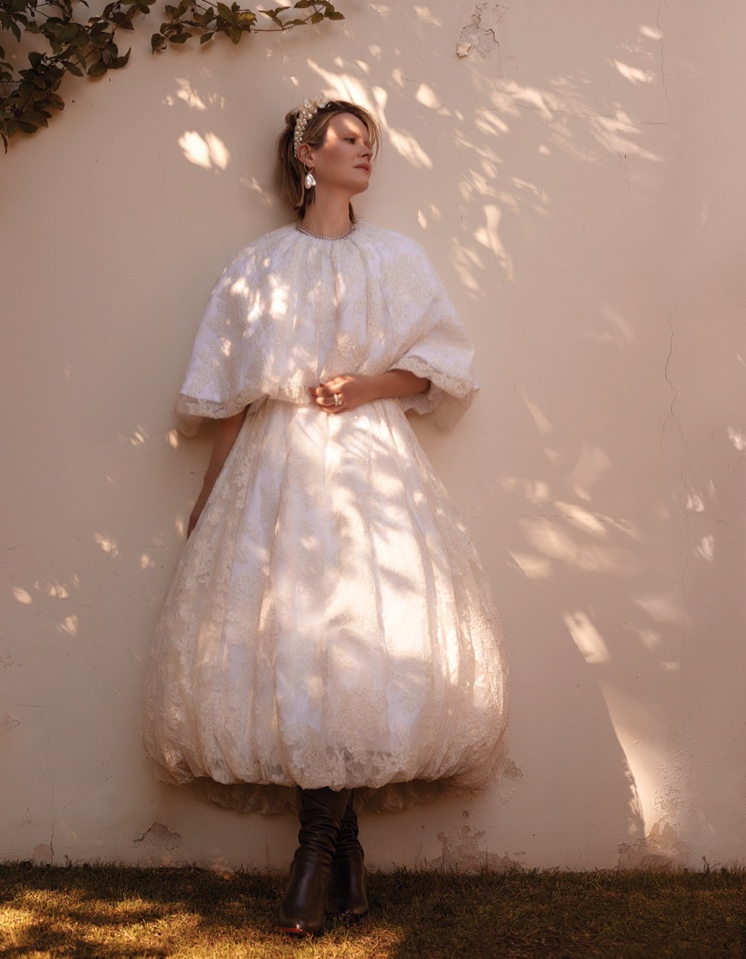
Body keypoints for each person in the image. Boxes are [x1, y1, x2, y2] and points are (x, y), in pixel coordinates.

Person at [143, 96, 508, 936]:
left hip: (372, 466)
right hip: (278, 472)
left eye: (370, 142)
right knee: (301, 642)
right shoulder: (260, 265)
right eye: (348, 139)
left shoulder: (397, 257)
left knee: (362, 640)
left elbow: (443, 369)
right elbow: (230, 389)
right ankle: (342, 854)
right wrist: (208, 494)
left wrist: (366, 384)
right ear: (308, 155)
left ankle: (317, 852)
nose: (364, 152)